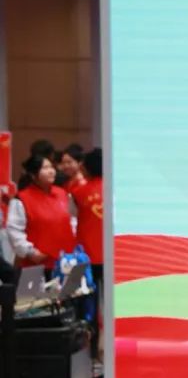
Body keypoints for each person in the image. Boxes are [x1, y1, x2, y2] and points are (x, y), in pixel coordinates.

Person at [7, 154, 76, 274]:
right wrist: (30, 252)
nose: (51, 171)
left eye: (51, 167)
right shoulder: (22, 198)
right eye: (45, 168)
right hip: (38, 263)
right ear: (33, 175)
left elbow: (73, 220)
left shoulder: (62, 193)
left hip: (66, 261)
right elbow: (14, 230)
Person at [72, 147, 104, 360]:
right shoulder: (117, 188)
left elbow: (72, 220)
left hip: (87, 257)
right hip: (113, 257)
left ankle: (91, 352)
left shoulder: (78, 193)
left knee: (88, 306)